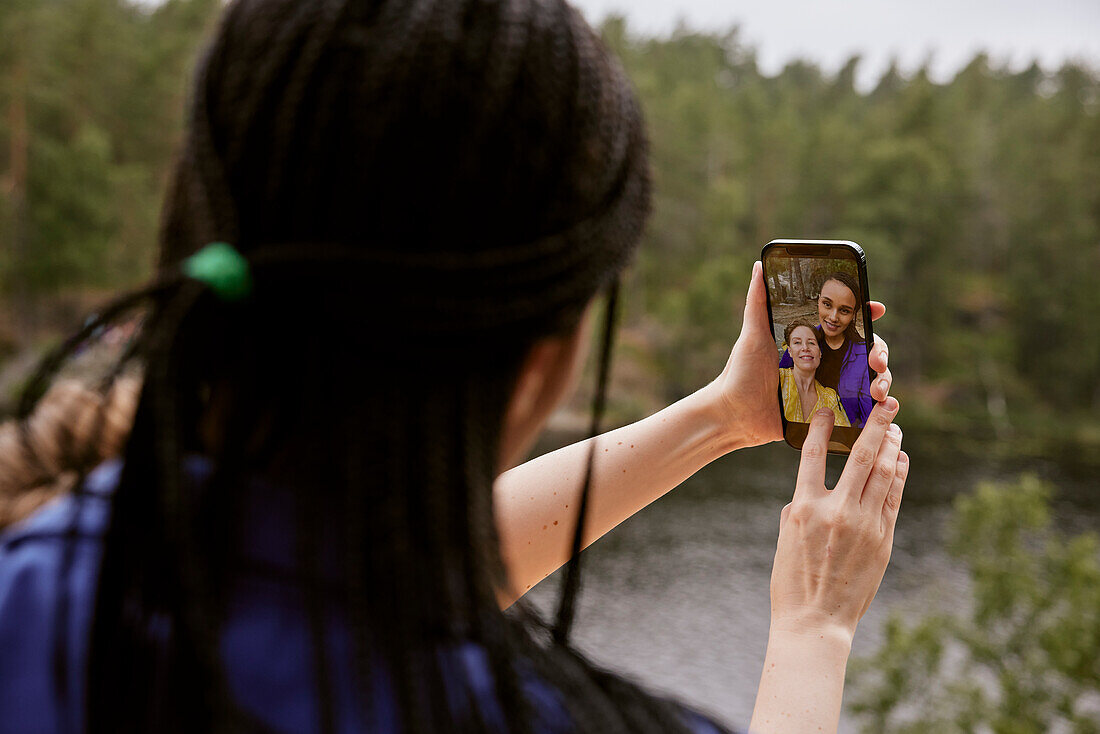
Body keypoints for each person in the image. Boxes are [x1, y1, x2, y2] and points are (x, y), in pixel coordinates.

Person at [0, 1, 906, 733]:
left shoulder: (41, 581)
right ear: (548, 360)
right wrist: (813, 631)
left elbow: (365, 577)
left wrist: (719, 418)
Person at [779, 271, 873, 427]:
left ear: (853, 314)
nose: (833, 317)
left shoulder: (864, 355)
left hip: (844, 439)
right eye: (827, 304)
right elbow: (778, 395)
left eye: (844, 310)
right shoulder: (801, 343)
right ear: (818, 301)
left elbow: (867, 416)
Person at [778, 322, 849, 426]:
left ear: (820, 352)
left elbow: (844, 436)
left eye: (811, 343)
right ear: (789, 351)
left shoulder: (830, 397)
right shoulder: (777, 378)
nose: (805, 348)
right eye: (797, 342)